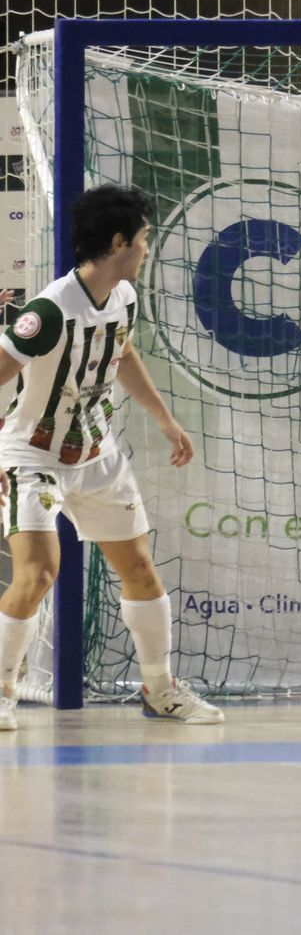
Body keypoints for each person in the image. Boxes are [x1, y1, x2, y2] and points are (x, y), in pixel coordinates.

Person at [0, 184, 222, 730]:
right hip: (34, 456)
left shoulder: (123, 297)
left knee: (140, 569)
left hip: (98, 456)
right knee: (38, 574)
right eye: (144, 238)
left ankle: (160, 689)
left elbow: (120, 351)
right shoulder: (50, 310)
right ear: (119, 242)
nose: (148, 248)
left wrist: (164, 418)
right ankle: (2, 687)